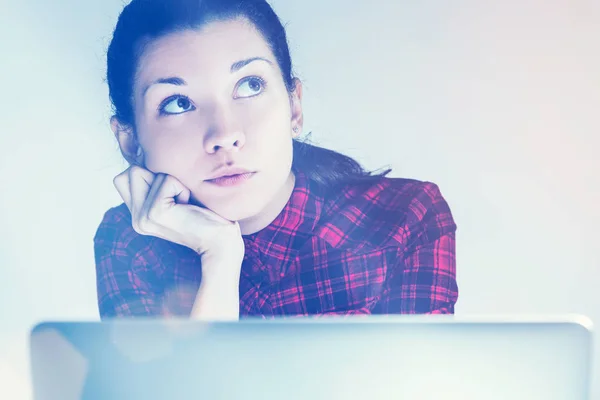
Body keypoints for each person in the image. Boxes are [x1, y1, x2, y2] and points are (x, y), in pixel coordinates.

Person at [94, 0, 458, 320]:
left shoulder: (405, 217)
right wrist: (219, 257)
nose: (224, 134)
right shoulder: (130, 243)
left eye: (249, 85)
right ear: (130, 139)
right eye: (177, 103)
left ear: (294, 106)